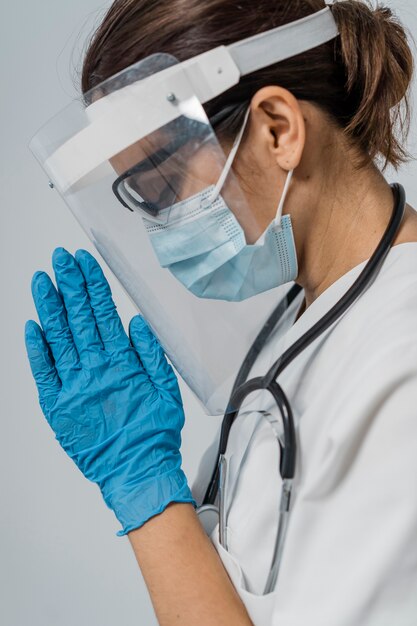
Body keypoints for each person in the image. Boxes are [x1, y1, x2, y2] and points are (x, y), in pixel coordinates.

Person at [25, 0, 417, 624]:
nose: (161, 229)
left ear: (278, 130)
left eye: (164, 187)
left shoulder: (403, 362)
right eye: (140, 200)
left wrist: (146, 492)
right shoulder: (303, 320)